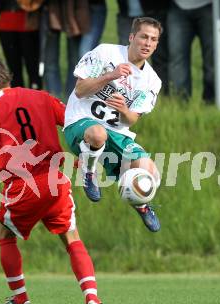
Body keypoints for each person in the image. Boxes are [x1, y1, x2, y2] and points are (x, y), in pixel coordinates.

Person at [0, 57, 108, 304]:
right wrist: (84, 161)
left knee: (5, 236)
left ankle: (21, 300)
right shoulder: (42, 97)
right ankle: (93, 300)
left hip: (23, 187)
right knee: (71, 237)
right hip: (56, 182)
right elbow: (75, 126)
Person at [64, 17, 163, 233]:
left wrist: (123, 109)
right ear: (131, 37)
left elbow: (132, 119)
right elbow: (80, 90)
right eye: (143, 37)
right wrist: (111, 75)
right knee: (98, 134)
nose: (147, 43)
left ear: (156, 44)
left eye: (153, 40)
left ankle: (141, 204)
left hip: (117, 132)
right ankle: (88, 172)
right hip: (80, 122)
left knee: (151, 174)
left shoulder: (152, 81)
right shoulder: (105, 53)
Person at [167, 0, 214, 103]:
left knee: (212, 58)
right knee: (177, 58)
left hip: (210, 6)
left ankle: (211, 102)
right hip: (177, 6)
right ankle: (180, 105)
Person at [43, 0, 90, 99]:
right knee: (50, 61)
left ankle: (71, 98)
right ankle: (53, 99)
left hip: (75, 11)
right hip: (50, 9)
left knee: (76, 62)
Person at [0, 0, 42, 89]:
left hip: (29, 24)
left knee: (33, 69)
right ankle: (17, 100)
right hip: (7, 23)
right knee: (14, 71)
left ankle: (35, 98)